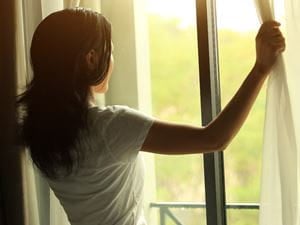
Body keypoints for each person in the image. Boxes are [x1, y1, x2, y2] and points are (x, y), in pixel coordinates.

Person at [17, 7, 285, 225]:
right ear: (90, 58)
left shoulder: (39, 132)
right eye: (110, 49)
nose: (113, 59)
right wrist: (260, 69)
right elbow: (215, 138)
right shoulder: (111, 127)